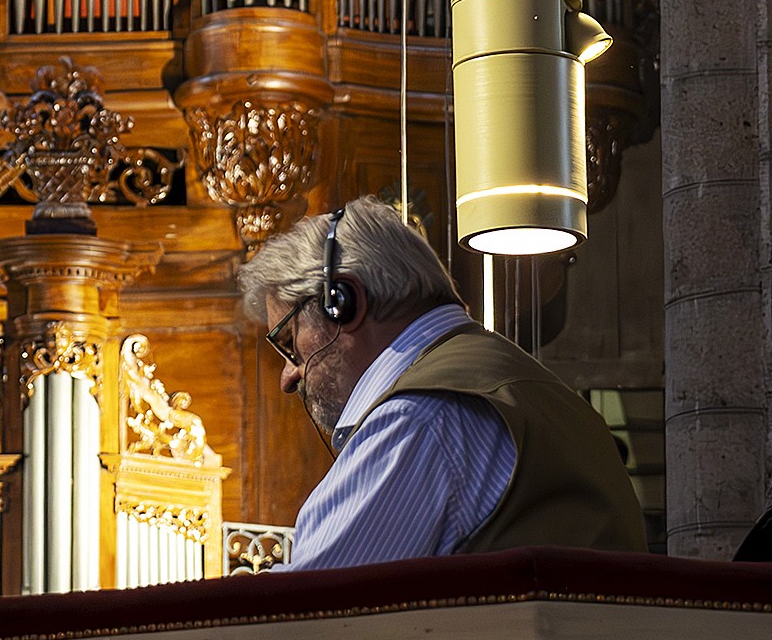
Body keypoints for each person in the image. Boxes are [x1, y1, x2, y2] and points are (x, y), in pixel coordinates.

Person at [238, 196, 646, 569]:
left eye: (290, 343)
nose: (288, 377)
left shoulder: (421, 417)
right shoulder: (532, 389)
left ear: (346, 303)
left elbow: (302, 619)